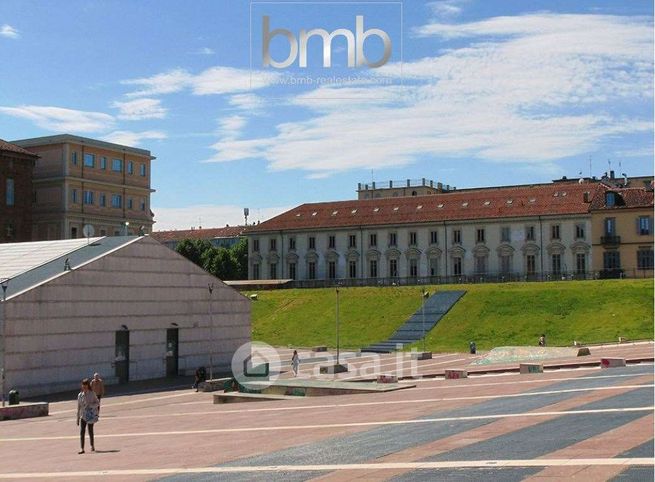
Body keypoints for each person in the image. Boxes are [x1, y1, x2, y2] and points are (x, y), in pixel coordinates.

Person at [77, 378, 99, 454]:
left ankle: (92, 445)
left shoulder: (92, 393)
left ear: (88, 386)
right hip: (83, 415)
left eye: (86, 386)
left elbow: (97, 403)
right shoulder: (80, 395)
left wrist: (91, 406)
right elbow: (79, 406)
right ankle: (82, 448)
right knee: (82, 432)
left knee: (90, 431)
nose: (84, 387)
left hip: (90, 415)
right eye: (83, 386)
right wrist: (77, 417)